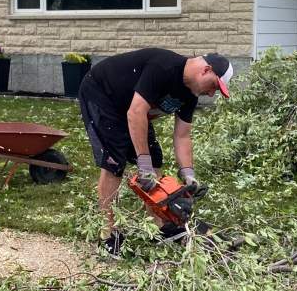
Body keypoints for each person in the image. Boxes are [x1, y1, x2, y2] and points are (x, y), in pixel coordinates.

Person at [77, 48, 233, 258]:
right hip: (103, 93)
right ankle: (108, 233)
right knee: (114, 161)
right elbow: (136, 112)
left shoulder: (190, 94)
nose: (212, 93)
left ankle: (159, 226)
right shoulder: (164, 67)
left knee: (155, 158)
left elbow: (182, 135)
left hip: (132, 107)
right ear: (205, 70)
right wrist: (144, 166)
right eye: (214, 86)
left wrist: (188, 174)